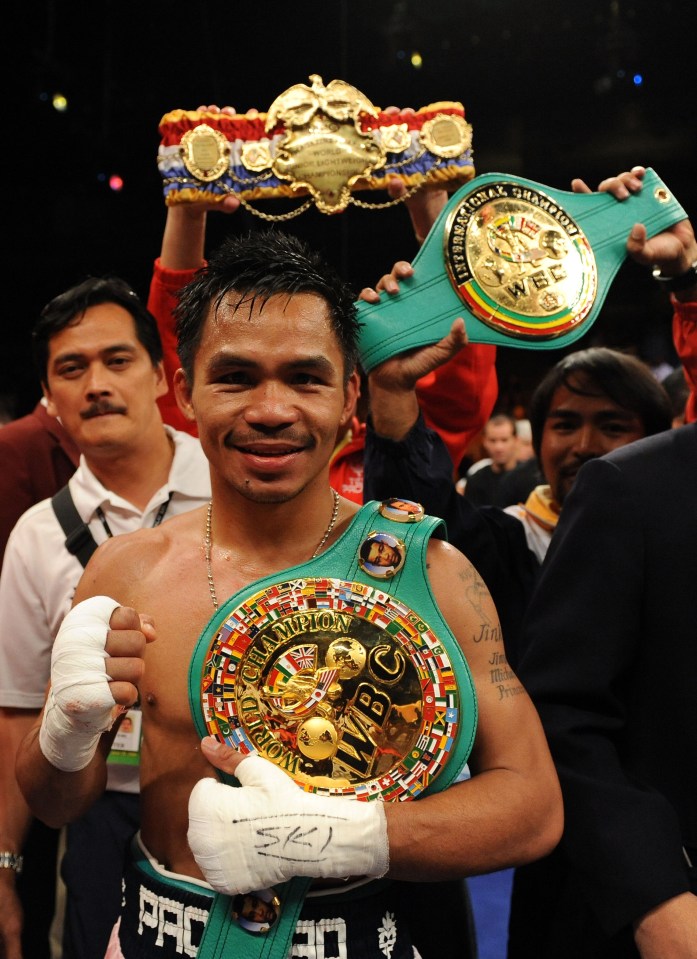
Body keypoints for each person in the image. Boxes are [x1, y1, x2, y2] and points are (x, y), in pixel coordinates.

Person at [16, 228, 563, 959]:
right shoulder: (126, 570)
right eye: (235, 376)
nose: (270, 409)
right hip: (155, 933)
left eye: (304, 378)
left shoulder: (430, 573)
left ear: (348, 399)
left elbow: (531, 806)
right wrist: (65, 730)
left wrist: (333, 838)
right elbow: (56, 802)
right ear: (185, 392)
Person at [0, 276, 211, 959]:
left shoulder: (238, 484)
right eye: (72, 367)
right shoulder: (36, 536)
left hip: (241, 795)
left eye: (117, 360)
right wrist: (4, 863)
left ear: (161, 376)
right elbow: (19, 712)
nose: (96, 383)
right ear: (48, 399)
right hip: (98, 811)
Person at [462, 413, 520, 507]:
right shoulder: (475, 481)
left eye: (504, 440)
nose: (498, 447)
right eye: (493, 440)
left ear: (516, 440)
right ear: (484, 442)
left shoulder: (530, 476)